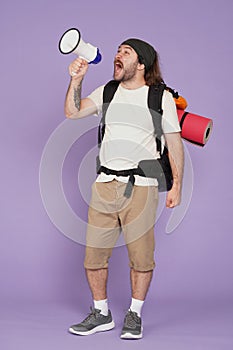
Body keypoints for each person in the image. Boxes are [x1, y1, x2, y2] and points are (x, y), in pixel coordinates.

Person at [64, 38, 184, 339]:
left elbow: (173, 143)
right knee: (93, 256)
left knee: (141, 258)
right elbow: (72, 112)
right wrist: (76, 81)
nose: (117, 55)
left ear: (141, 64)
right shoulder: (107, 91)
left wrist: (176, 186)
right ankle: (101, 313)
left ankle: (134, 314)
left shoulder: (160, 97)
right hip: (104, 185)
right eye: (118, 51)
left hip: (140, 187)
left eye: (125, 52)